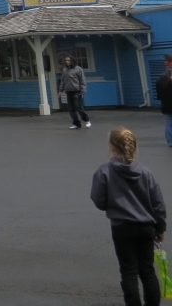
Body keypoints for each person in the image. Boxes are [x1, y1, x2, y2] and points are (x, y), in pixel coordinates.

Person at [90, 127, 166, 306]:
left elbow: (98, 200)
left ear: (112, 147)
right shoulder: (146, 173)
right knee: (147, 270)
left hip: (121, 227)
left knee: (128, 271)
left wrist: (111, 204)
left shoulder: (104, 171)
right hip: (146, 227)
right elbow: (158, 203)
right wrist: (160, 227)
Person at [59, 54, 91, 130]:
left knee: (78, 107)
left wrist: (83, 90)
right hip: (68, 91)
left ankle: (87, 120)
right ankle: (76, 124)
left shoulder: (78, 69)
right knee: (71, 108)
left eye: (68, 60)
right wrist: (60, 90)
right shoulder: (65, 70)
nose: (67, 62)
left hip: (77, 91)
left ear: (72, 61)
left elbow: (82, 80)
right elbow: (62, 81)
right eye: (66, 60)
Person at [154, 55, 172, 147]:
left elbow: (158, 95)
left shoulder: (159, 79)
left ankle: (170, 141)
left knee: (168, 123)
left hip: (165, 105)